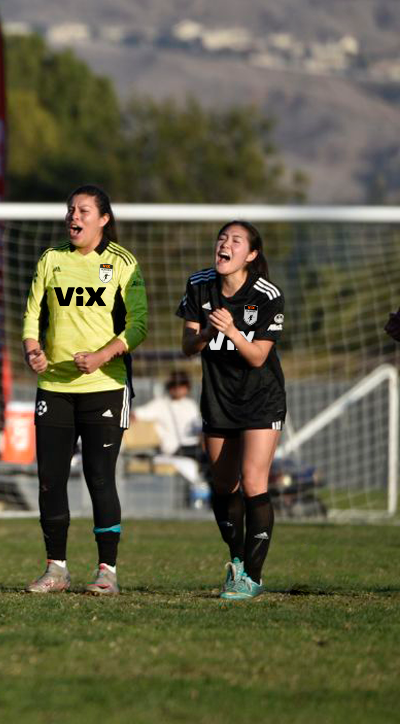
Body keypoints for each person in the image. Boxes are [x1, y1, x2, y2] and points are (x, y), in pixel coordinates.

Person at [21, 185, 147, 596]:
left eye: (84, 211)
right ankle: (55, 568)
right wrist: (33, 350)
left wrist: (102, 355)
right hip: (53, 386)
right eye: (71, 209)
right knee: (50, 480)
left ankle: (106, 571)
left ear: (103, 219)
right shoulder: (51, 260)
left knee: (99, 478)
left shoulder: (123, 263)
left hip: (105, 387)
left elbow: (138, 326)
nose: (74, 217)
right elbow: (31, 315)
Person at [179, 220, 286, 601]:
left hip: (261, 398)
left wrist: (233, 331)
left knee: (254, 482)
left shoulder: (267, 294)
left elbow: (258, 357)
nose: (225, 245)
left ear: (251, 255)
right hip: (218, 399)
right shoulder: (199, 284)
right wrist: (207, 333)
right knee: (224, 485)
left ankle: (252, 578)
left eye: (236, 241)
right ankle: (237, 562)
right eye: (222, 238)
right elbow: (187, 347)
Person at [133, 371, 203, 460]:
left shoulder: (191, 404)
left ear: (187, 386)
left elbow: (197, 428)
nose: (177, 388)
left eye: (182, 384)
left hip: (194, 446)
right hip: (174, 450)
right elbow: (137, 414)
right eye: (173, 385)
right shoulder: (160, 404)